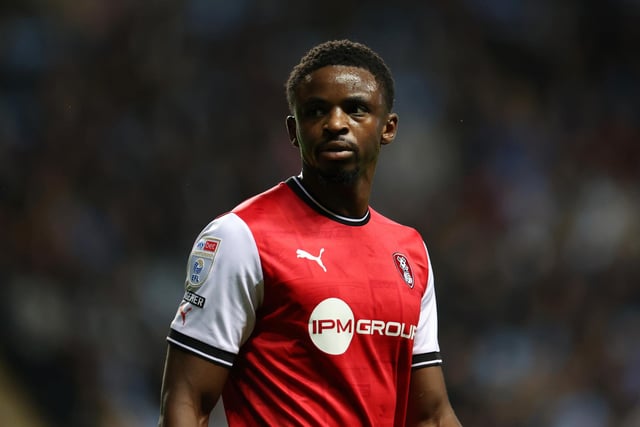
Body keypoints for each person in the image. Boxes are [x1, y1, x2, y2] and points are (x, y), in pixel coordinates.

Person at [158, 39, 462, 427]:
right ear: (294, 129)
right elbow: (187, 400)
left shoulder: (410, 253)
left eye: (355, 109)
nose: (335, 123)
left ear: (388, 128)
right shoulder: (241, 237)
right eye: (316, 111)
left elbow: (432, 415)